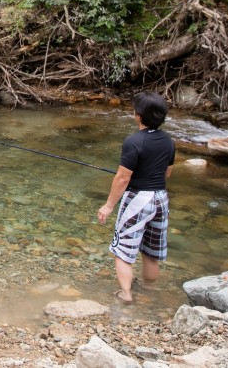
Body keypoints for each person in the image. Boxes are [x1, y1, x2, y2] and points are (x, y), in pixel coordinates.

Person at [97, 91, 175, 304]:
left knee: (122, 251)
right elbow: (167, 173)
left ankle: (126, 294)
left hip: (139, 199)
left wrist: (108, 206)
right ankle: (149, 290)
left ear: (139, 115)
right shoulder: (168, 140)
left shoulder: (134, 141)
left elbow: (122, 178)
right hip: (161, 199)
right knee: (151, 251)